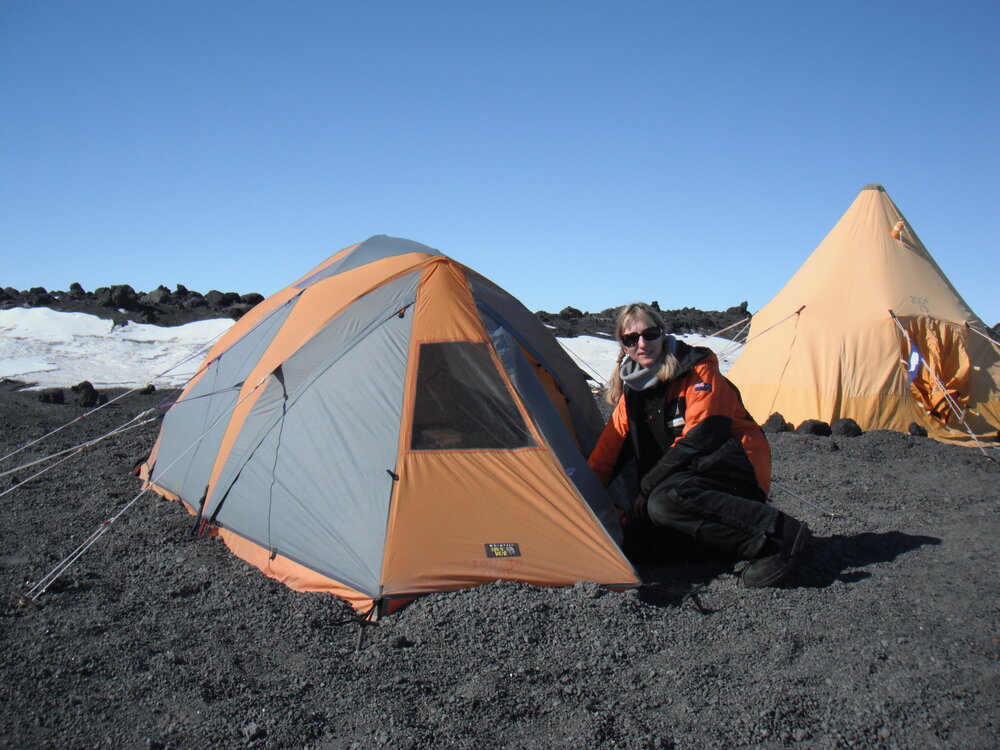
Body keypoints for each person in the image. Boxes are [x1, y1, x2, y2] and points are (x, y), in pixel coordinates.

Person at [588, 302, 809, 587]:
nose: (642, 344)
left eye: (649, 334)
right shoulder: (633, 393)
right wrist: (578, 504)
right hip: (685, 477)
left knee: (665, 502)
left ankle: (779, 535)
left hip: (732, 467)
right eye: (631, 339)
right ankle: (728, 547)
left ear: (662, 334)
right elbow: (606, 455)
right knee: (637, 543)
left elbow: (703, 437)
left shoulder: (697, 370)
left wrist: (647, 486)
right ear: (623, 345)